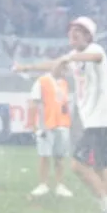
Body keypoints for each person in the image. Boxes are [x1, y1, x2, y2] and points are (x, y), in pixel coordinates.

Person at [14, 17, 107, 213]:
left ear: (88, 36)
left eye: (79, 30)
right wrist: (27, 67)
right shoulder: (75, 58)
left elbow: (94, 57)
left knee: (78, 165)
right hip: (99, 121)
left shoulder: (94, 50)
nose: (73, 33)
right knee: (101, 168)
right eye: (71, 30)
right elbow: (54, 65)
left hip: (101, 120)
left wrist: (69, 58)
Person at [25, 63, 73, 198]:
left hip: (62, 124)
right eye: (63, 69)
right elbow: (33, 102)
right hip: (46, 124)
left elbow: (64, 103)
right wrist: (33, 124)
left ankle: (60, 185)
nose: (65, 73)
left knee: (60, 156)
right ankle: (43, 184)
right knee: (44, 155)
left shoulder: (63, 83)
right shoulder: (42, 81)